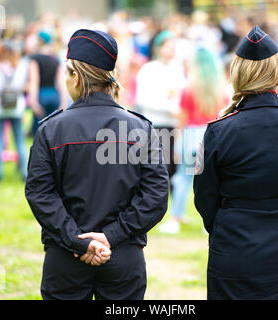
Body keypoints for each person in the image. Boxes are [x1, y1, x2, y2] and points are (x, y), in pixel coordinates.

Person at [25, 29, 169, 300]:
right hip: (122, 256)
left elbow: (40, 194)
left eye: (68, 72)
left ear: (76, 78)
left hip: (66, 257)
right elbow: (155, 197)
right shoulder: (141, 128)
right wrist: (110, 237)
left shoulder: (51, 129)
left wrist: (78, 241)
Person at [193, 26, 278, 300]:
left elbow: (204, 197)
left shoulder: (219, 130)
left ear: (237, 72)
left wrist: (228, 226)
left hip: (236, 249)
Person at [159, 47, 227, 234]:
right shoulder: (220, 90)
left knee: (182, 179)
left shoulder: (188, 89)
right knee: (214, 182)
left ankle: (174, 219)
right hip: (213, 137)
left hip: (190, 136)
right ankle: (212, 221)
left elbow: (181, 119)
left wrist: (178, 142)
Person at [135, 30, 186, 187]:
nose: (172, 50)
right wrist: (167, 108)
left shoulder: (177, 70)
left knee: (173, 162)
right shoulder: (148, 69)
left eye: (173, 46)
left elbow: (181, 94)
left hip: (174, 123)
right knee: (158, 164)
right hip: (156, 123)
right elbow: (142, 98)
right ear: (159, 48)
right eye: (168, 46)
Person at [0, 41, 29, 181]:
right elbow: (22, 86)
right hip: (16, 106)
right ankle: (24, 172)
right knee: (19, 140)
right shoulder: (20, 67)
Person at [28, 30, 67, 135]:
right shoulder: (55, 59)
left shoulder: (35, 58)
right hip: (54, 95)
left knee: (39, 133)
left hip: (41, 95)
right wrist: (63, 102)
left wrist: (33, 101)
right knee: (53, 132)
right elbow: (61, 82)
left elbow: (34, 81)